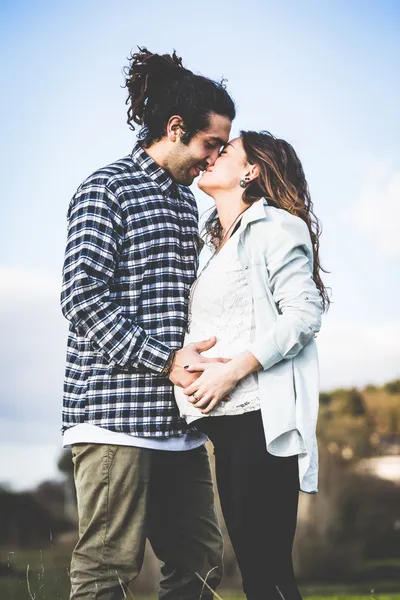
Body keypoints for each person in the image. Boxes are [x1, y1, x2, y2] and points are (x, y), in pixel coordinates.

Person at [60, 47, 235, 600]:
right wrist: (165, 359)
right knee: (107, 571)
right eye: (210, 145)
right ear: (176, 127)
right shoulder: (106, 188)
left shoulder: (188, 206)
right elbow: (82, 296)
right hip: (115, 418)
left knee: (201, 565)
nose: (213, 160)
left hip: (179, 426)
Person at [174, 130, 329, 600]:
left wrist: (231, 370)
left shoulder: (276, 227)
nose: (211, 157)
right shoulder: (218, 244)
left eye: (226, 150)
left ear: (251, 170)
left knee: (268, 576)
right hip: (228, 425)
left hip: (260, 419)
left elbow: (304, 314)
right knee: (260, 576)